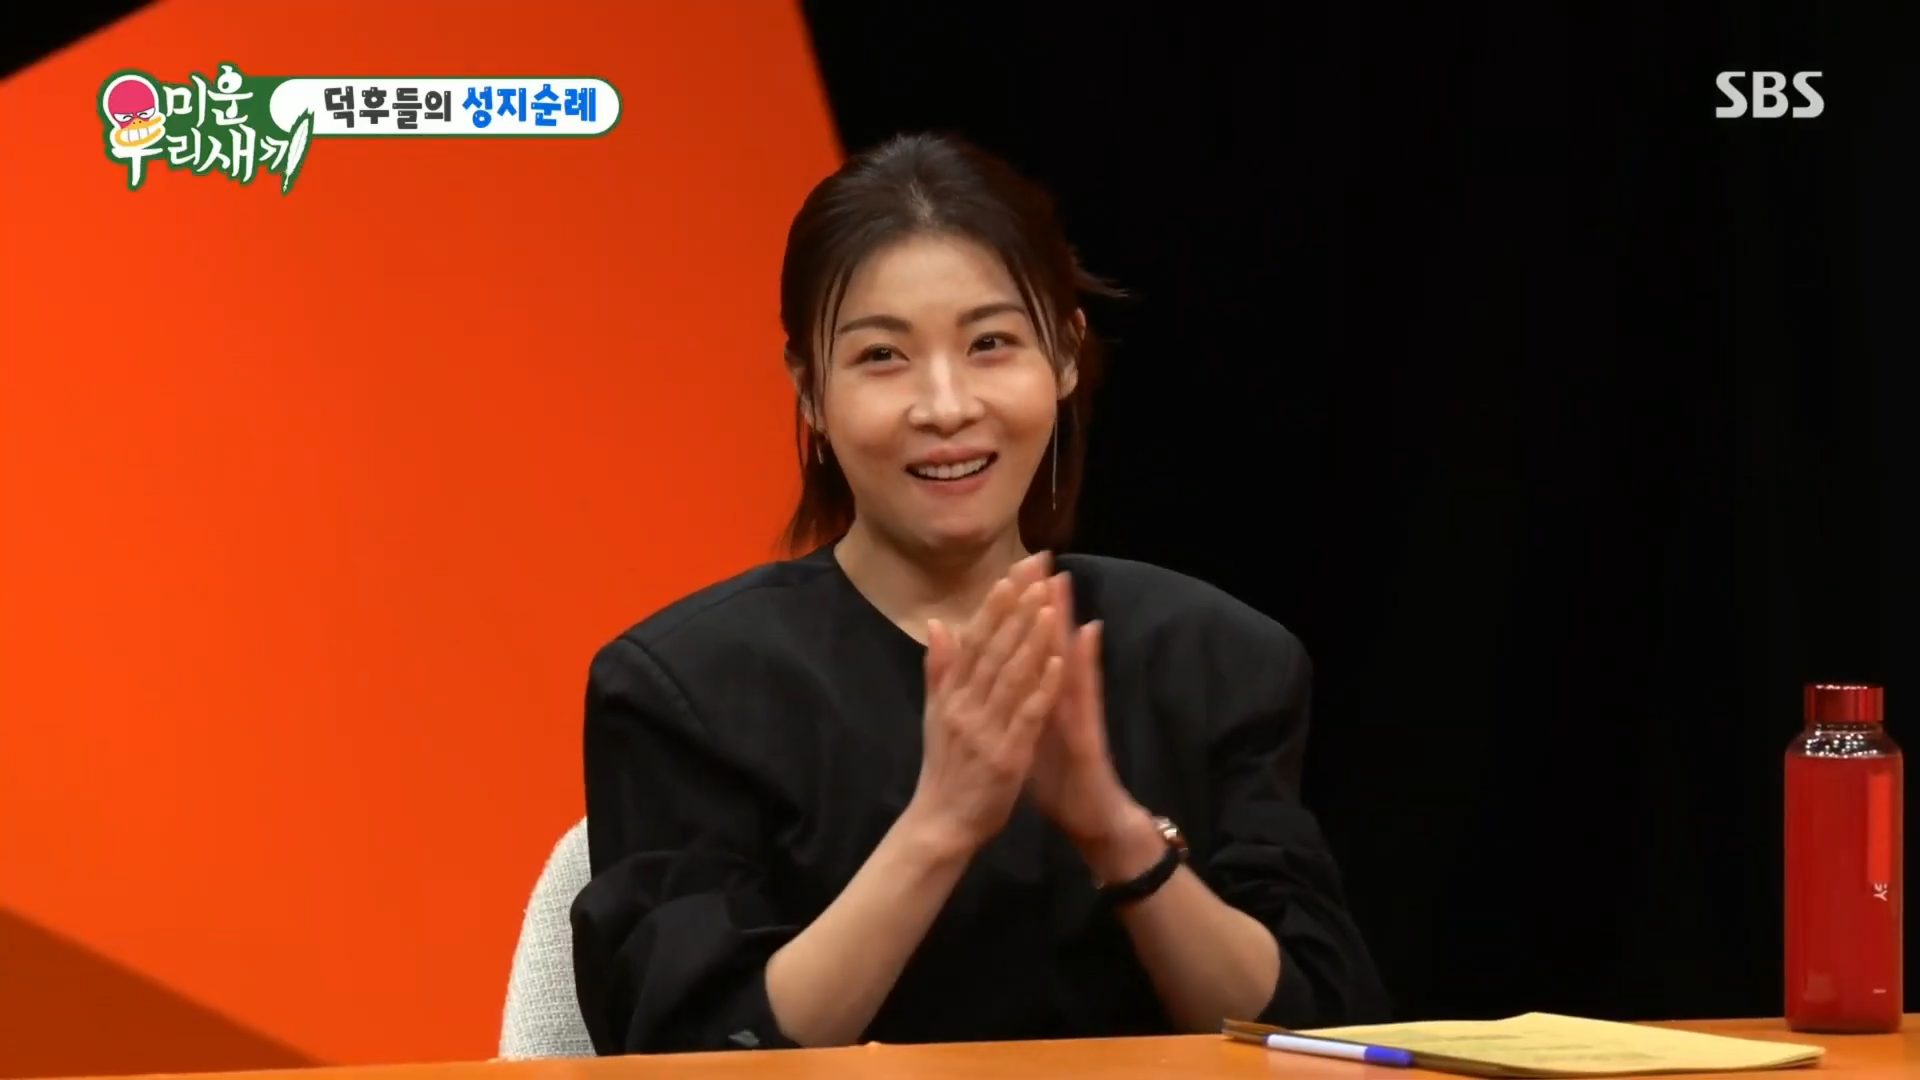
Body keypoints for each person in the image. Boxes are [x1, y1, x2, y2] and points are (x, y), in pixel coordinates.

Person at [569, 131, 1388, 1055]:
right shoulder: (687, 690)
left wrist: (1116, 834)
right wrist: (943, 823)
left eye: (991, 344)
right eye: (883, 356)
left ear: (1065, 355)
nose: (947, 406)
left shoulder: (1218, 659)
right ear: (810, 391)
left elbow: (1321, 1031)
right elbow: (690, 1050)